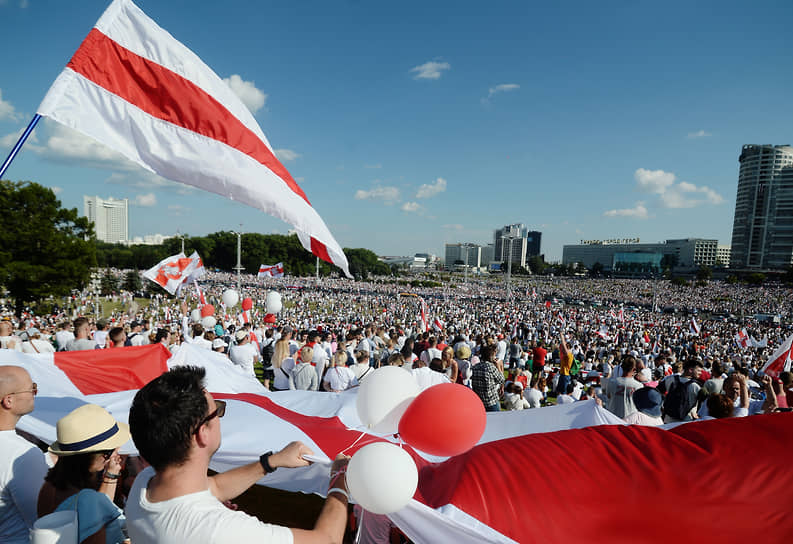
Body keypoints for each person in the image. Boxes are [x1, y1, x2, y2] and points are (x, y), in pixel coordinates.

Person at [125, 365, 349, 543]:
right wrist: (340, 478)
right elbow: (327, 539)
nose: (221, 417)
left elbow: (215, 487)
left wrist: (271, 462)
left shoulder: (145, 485)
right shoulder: (221, 530)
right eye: (217, 411)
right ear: (202, 433)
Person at [37, 404, 129, 544]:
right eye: (110, 452)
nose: (115, 455)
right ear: (98, 457)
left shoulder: (48, 487)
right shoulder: (90, 500)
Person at [0, 366, 51, 543]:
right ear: (9, 401)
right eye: (32, 388)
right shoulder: (22, 454)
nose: (35, 392)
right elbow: (43, 518)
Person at [471, 344, 505, 412]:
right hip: (491, 401)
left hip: (480, 400)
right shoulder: (490, 367)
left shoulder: (475, 367)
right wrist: (498, 366)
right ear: (491, 356)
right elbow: (502, 379)